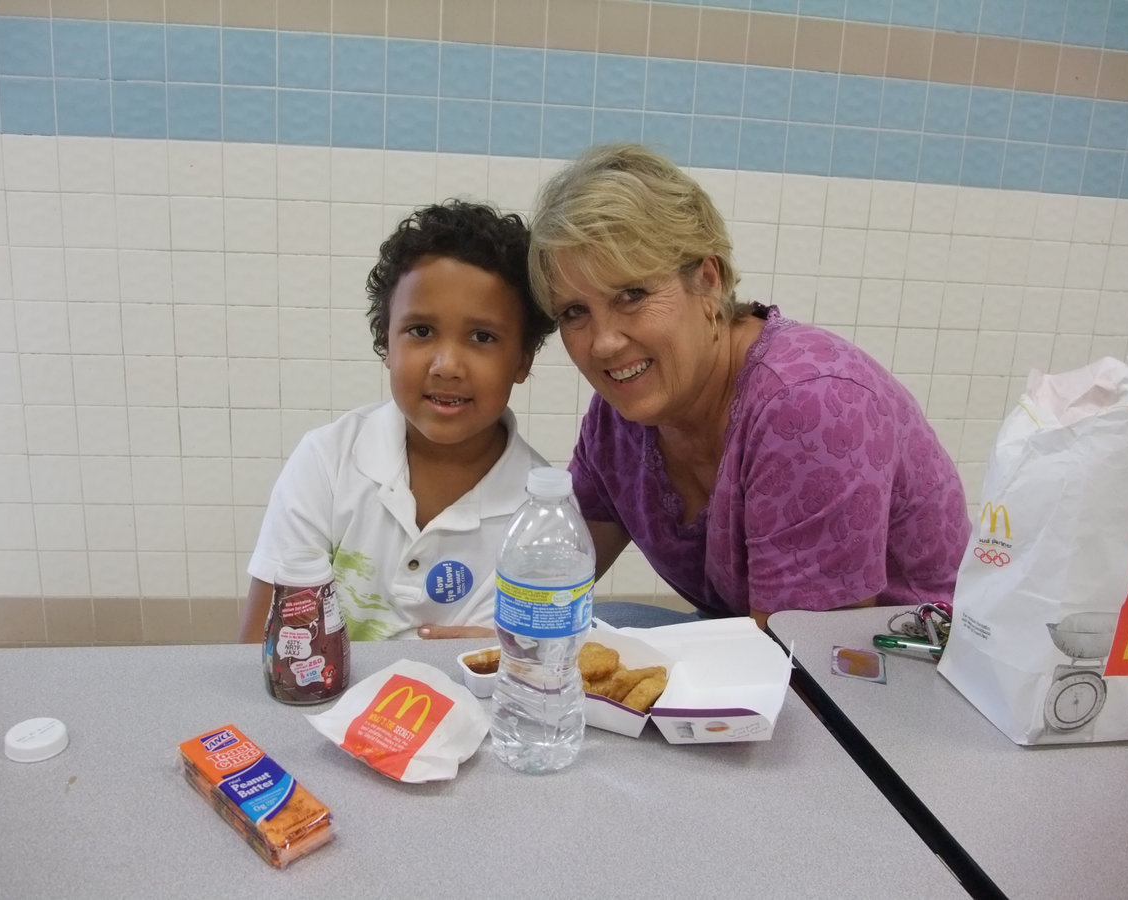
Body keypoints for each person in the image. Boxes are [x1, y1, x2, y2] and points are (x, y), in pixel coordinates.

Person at [527, 144, 971, 630]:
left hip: (893, 671)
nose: (605, 343)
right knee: (582, 631)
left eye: (632, 295)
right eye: (574, 312)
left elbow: (802, 657)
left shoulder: (809, 404)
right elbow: (548, 584)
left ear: (708, 281)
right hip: (754, 641)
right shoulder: (620, 421)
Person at [239, 200, 555, 642]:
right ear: (386, 343)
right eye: (421, 331)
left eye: (482, 337)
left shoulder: (541, 513)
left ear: (523, 360)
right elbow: (261, 645)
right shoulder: (328, 461)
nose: (447, 365)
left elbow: (526, 665)